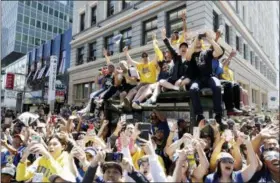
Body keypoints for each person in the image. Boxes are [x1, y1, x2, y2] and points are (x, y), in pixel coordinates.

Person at [186, 31, 225, 129]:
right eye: (196, 40)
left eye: (199, 40)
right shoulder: (191, 54)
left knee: (217, 85)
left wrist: (210, 39)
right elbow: (187, 56)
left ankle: (218, 114)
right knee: (193, 89)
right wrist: (195, 38)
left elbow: (219, 52)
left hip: (209, 77)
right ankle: (199, 115)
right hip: (198, 79)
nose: (198, 41)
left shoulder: (206, 52)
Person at [220, 49, 243, 116]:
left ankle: (237, 108)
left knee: (237, 86)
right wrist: (230, 56)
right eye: (226, 61)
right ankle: (230, 108)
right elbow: (223, 66)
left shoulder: (230, 71)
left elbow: (232, 81)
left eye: (228, 61)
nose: (228, 62)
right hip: (223, 87)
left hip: (229, 86)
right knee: (229, 84)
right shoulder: (221, 67)